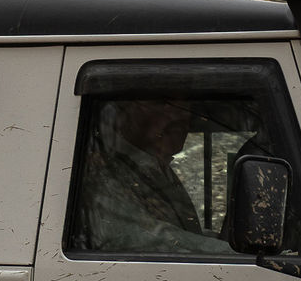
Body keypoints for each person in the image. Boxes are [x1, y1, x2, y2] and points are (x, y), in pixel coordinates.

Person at [77, 96, 237, 255]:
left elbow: (179, 234)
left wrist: (226, 242)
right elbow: (145, 240)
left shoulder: (154, 167)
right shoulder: (104, 172)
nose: (178, 115)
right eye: (160, 102)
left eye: (186, 106)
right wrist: (230, 253)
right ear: (122, 113)